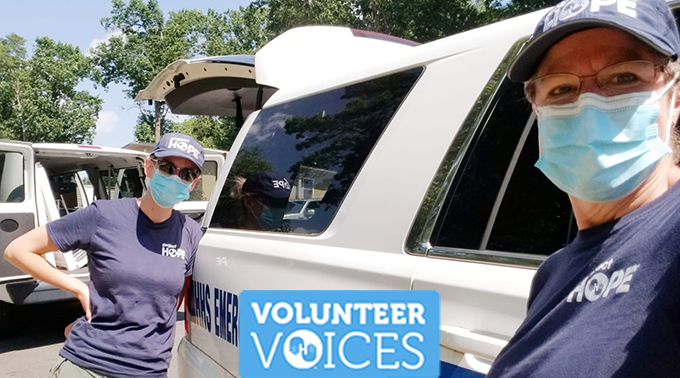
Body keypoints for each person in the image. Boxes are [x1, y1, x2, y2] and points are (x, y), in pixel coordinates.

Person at [486, 1, 680, 377]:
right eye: (561, 88)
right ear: (537, 110)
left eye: (624, 77)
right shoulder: (553, 273)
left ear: (675, 98)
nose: (589, 104)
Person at [4, 133, 205, 378]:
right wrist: (79, 288)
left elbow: (169, 305)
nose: (176, 177)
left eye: (186, 173)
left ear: (193, 183)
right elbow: (18, 250)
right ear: (149, 167)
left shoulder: (191, 234)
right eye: (167, 167)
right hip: (87, 366)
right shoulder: (103, 216)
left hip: (148, 371)